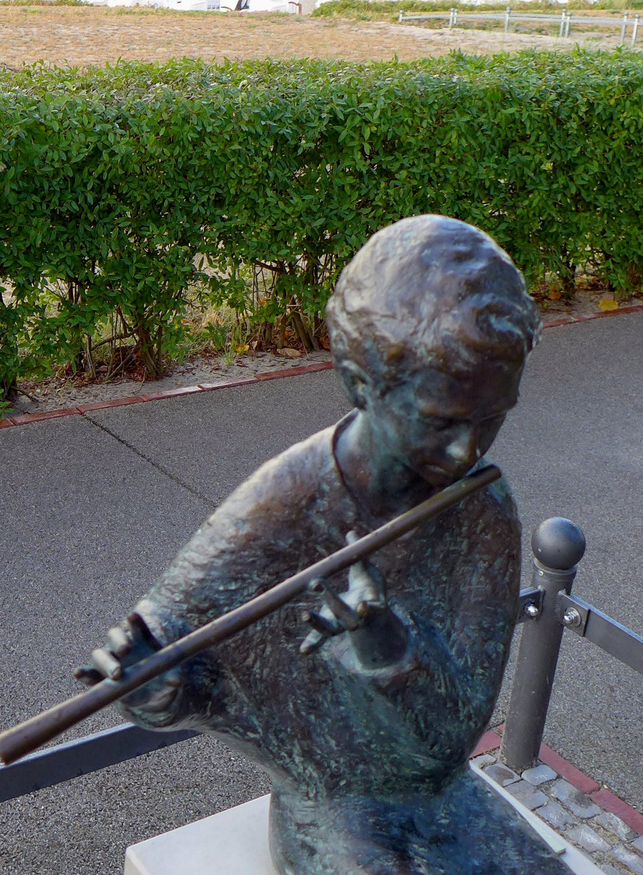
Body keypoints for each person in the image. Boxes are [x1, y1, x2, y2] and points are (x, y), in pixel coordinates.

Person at [85, 215, 559, 875]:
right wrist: (154, 686)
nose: (466, 451)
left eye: (492, 419)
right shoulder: (279, 504)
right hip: (331, 799)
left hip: (438, 792)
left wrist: (388, 648)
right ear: (362, 384)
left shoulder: (483, 508)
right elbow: (180, 666)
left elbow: (452, 740)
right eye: (442, 423)